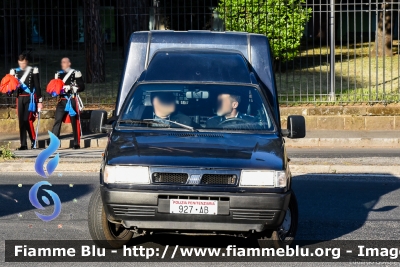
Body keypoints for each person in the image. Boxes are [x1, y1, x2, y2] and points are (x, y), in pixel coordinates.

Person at [9, 53, 43, 150]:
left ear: (27, 62)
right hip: (20, 98)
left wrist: (39, 101)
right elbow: (11, 86)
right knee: (21, 121)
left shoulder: (33, 70)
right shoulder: (14, 71)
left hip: (30, 98)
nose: (22, 65)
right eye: (20, 63)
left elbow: (37, 86)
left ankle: (33, 141)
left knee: (27, 119)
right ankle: (23, 144)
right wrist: (9, 92)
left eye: (24, 63)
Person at [50, 57, 85, 149]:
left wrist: (73, 88)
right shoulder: (58, 74)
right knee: (57, 120)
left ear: (69, 63)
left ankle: (76, 143)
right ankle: (54, 143)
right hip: (62, 100)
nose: (63, 64)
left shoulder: (75, 73)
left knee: (74, 121)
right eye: (62, 62)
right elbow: (55, 86)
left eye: (65, 62)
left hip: (71, 99)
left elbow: (82, 86)